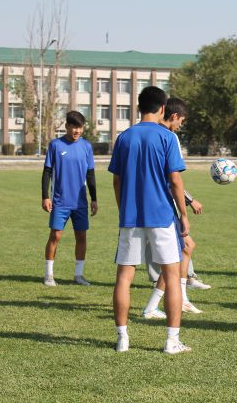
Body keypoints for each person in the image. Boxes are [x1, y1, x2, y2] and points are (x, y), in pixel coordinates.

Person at [108, 86, 191, 355]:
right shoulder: (167, 138)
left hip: (131, 217)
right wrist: (184, 215)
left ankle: (122, 338)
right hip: (162, 216)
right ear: (163, 108)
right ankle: (171, 341)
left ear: (138, 107)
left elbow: (117, 180)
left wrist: (124, 209)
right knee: (172, 275)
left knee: (124, 277)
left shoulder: (124, 138)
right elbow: (175, 181)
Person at [142, 97, 204, 319]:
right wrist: (189, 202)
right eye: (182, 121)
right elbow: (172, 179)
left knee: (183, 250)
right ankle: (165, 304)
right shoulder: (169, 137)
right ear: (174, 116)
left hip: (145, 205)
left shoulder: (146, 133)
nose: (180, 125)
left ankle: (169, 302)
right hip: (162, 207)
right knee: (178, 254)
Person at [41, 111, 97, 286]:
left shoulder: (86, 146)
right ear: (67, 126)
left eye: (80, 127)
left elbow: (90, 174)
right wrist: (45, 197)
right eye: (74, 127)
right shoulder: (55, 145)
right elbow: (47, 172)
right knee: (55, 236)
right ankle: (49, 275)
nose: (77, 131)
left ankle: (78, 275)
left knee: (81, 236)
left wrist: (94, 198)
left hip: (80, 202)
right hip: (60, 201)